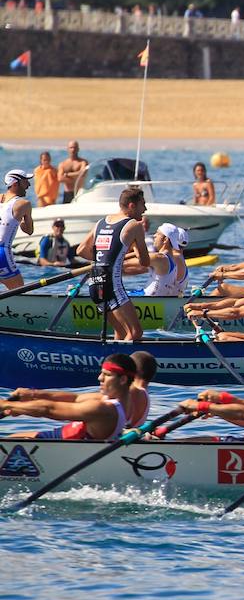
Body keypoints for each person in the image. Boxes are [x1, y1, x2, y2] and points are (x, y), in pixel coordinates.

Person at [2, 353, 137, 440]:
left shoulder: (104, 409)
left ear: (123, 380)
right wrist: (31, 394)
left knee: (10, 441)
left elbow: (49, 409)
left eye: (107, 375)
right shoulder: (123, 400)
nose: (99, 378)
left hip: (58, 445)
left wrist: (6, 404)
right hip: (61, 437)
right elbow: (74, 398)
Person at [76, 186, 150, 340]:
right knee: (135, 333)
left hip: (94, 283)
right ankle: (123, 364)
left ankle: (111, 360)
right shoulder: (135, 226)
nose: (145, 209)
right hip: (112, 285)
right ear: (132, 205)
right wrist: (135, 247)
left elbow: (81, 250)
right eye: (143, 204)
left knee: (121, 333)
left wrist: (104, 260)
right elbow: (145, 262)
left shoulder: (101, 222)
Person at [125, 222, 189, 297]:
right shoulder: (171, 258)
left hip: (148, 297)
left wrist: (134, 244)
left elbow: (126, 263)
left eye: (158, 234)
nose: (154, 236)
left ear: (165, 239)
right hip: (161, 297)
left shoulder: (160, 258)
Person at [0, 169, 35, 289]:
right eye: (26, 182)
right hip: (2, 253)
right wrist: (22, 220)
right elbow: (29, 231)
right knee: (19, 289)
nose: (29, 185)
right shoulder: (24, 204)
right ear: (15, 184)